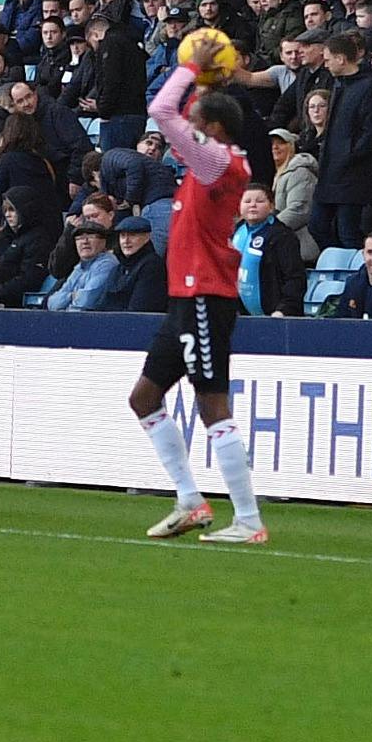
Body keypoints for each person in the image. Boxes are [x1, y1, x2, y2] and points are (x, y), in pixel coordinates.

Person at [120, 40, 265, 546]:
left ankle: (248, 519)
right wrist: (204, 83)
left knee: (212, 404)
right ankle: (189, 500)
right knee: (144, 397)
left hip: (206, 296)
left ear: (214, 128)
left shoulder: (216, 162)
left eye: (196, 120)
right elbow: (177, 112)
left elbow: (161, 110)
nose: (187, 125)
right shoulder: (214, 160)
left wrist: (189, 68)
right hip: (185, 299)